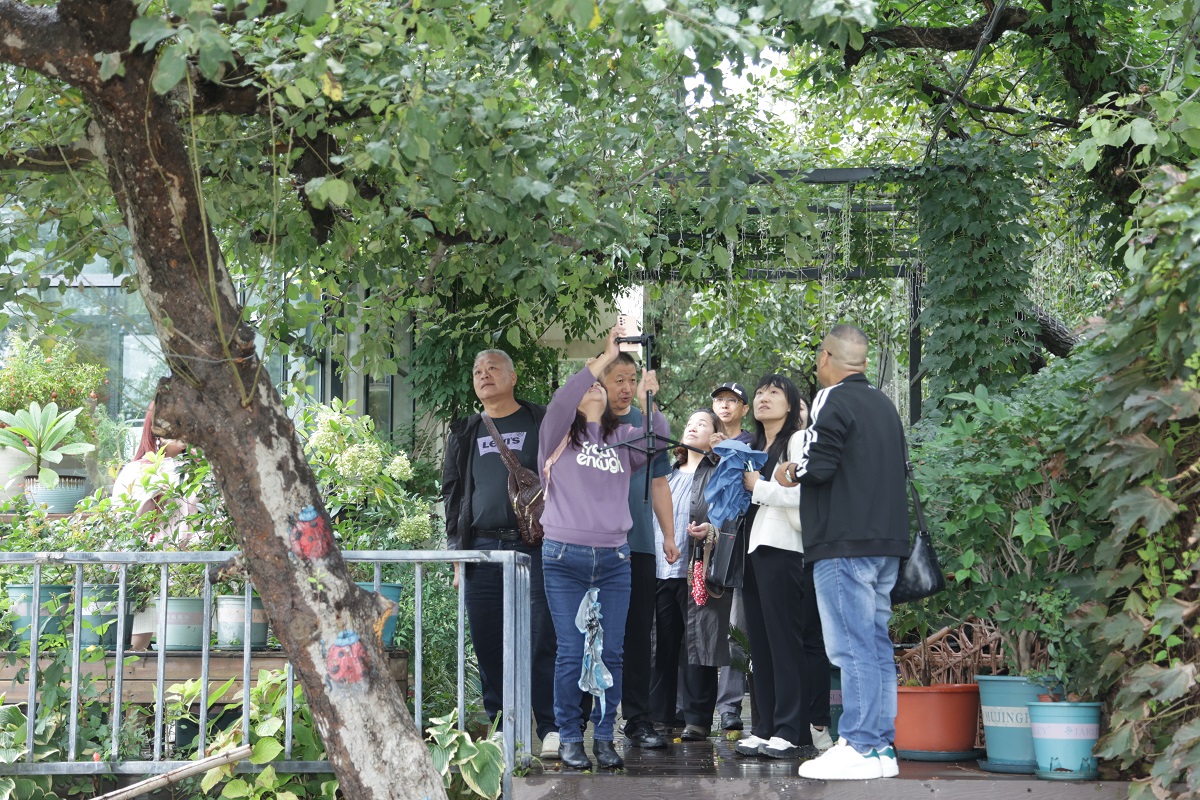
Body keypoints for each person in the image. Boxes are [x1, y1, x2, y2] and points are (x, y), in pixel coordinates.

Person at [776, 324, 910, 781]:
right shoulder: (885, 405)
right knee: (875, 644)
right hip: (886, 543)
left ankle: (858, 743)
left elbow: (820, 464)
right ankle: (881, 748)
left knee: (851, 647)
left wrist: (790, 471)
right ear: (865, 362)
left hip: (842, 543)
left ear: (826, 358)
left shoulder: (829, 399)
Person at [538, 324, 669, 771]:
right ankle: (570, 736)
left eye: (601, 384)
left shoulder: (621, 438)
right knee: (572, 651)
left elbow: (656, 440)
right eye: (592, 384)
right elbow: (564, 396)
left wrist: (650, 399)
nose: (595, 387)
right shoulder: (558, 434)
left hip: (615, 559)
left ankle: (606, 736)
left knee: (611, 653)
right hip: (564, 558)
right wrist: (606, 356)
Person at [441, 349, 559, 760]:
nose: (483, 374)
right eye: (477, 370)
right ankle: (502, 730)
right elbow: (453, 495)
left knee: (542, 637)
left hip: (535, 547)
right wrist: (457, 554)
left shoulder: (541, 420)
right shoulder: (465, 430)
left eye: (492, 368)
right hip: (482, 550)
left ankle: (550, 727)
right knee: (487, 640)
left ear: (512, 377)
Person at [733, 374, 827, 761]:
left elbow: (804, 496)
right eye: (760, 392)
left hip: (783, 548)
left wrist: (758, 487)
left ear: (791, 405)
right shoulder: (754, 447)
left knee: (785, 641)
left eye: (774, 393)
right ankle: (765, 726)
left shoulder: (797, 441)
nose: (763, 398)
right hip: (752, 548)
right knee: (761, 644)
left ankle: (791, 729)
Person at [601, 351, 677, 750]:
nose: (627, 388)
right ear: (601, 382)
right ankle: (585, 716)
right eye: (618, 379)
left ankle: (637, 719)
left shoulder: (648, 424)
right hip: (594, 544)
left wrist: (668, 535)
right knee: (592, 632)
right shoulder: (587, 421)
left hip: (640, 544)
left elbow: (660, 482)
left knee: (637, 634)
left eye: (632, 380)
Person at [649, 408, 734, 740]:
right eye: (689, 423)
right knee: (661, 646)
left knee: (699, 644)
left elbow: (730, 514)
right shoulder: (665, 474)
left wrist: (711, 530)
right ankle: (660, 718)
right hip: (660, 569)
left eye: (701, 423)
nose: (692, 427)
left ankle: (697, 719)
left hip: (698, 568)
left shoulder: (718, 472)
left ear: (714, 434)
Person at [112, 402, 202, 650]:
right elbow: (124, 523)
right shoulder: (135, 471)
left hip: (183, 569)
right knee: (136, 648)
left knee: (181, 647)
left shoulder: (192, 470)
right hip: (147, 567)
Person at [707, 381, 753, 732]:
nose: (725, 405)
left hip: (740, 547)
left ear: (744, 409)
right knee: (702, 629)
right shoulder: (701, 441)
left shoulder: (752, 444)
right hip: (703, 546)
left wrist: (725, 450)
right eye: (720, 399)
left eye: (732, 400)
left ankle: (729, 707)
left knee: (736, 633)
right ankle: (689, 709)